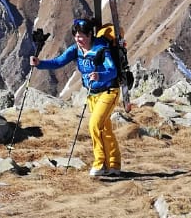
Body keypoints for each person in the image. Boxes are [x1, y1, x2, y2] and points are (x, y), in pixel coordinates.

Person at [32, 16, 123, 178]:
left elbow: (113, 71)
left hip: (109, 91)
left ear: (90, 35)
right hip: (92, 95)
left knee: (94, 125)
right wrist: (40, 63)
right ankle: (114, 164)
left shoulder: (101, 48)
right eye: (76, 36)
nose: (78, 39)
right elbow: (58, 62)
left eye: (81, 36)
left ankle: (100, 163)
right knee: (104, 129)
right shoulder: (76, 50)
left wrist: (100, 75)